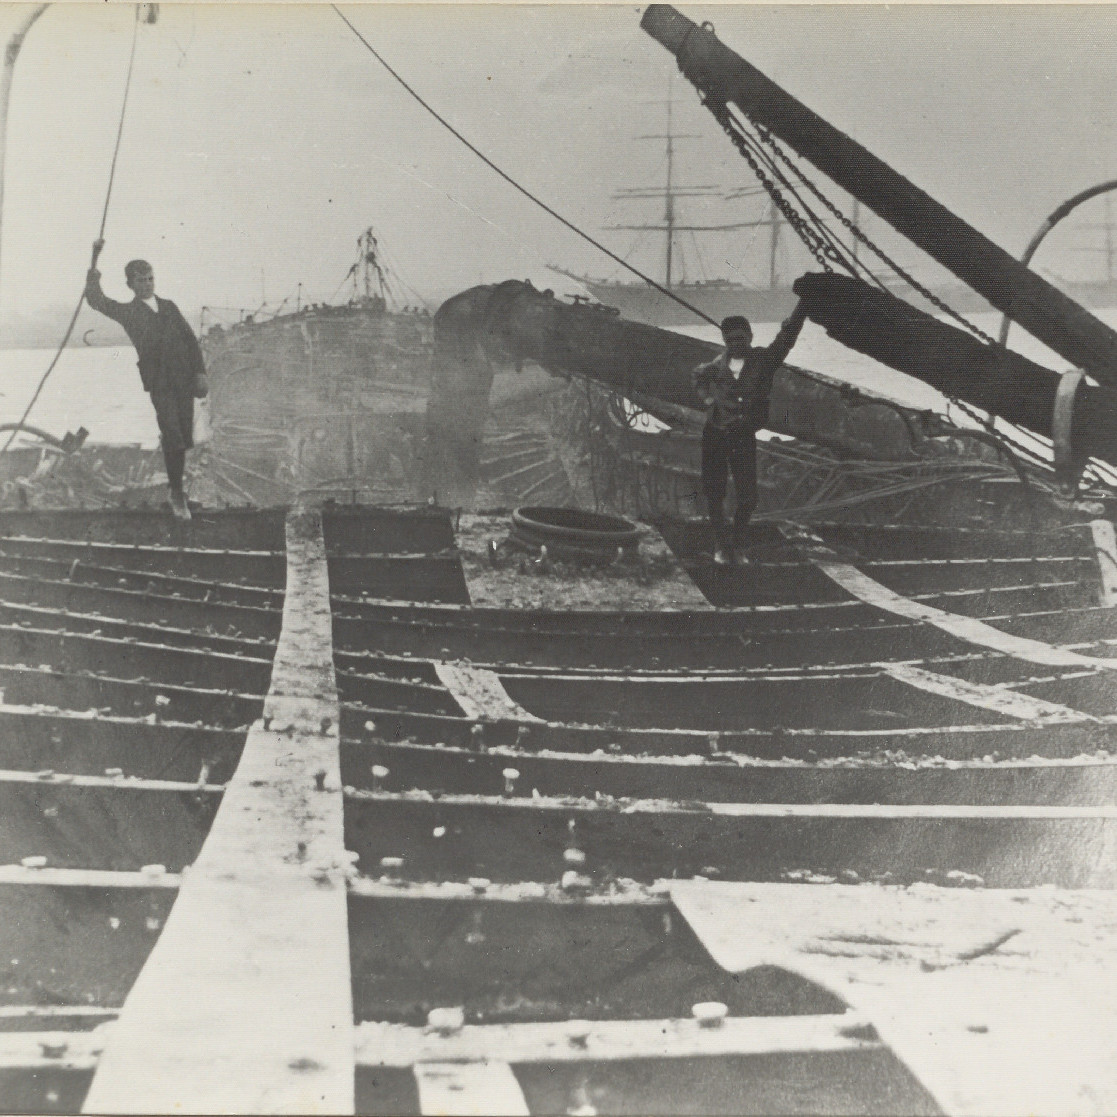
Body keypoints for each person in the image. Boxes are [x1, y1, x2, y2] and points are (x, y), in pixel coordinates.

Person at [85, 241, 207, 520]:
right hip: (160, 384)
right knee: (174, 436)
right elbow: (96, 300)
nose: (147, 285)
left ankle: (178, 489)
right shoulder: (128, 313)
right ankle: (177, 495)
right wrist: (94, 260)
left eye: (150, 279)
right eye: (141, 281)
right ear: (130, 285)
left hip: (185, 381)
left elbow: (191, 342)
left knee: (184, 439)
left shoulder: (169, 307)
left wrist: (200, 373)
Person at [693, 305, 808, 565]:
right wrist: (708, 398)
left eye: (740, 339)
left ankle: (738, 544)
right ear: (724, 341)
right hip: (715, 433)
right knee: (714, 492)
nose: (735, 344)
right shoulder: (716, 365)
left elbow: (785, 340)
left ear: (750, 337)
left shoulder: (763, 361)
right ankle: (722, 546)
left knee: (748, 496)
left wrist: (801, 312)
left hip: (742, 435)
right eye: (730, 340)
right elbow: (698, 376)